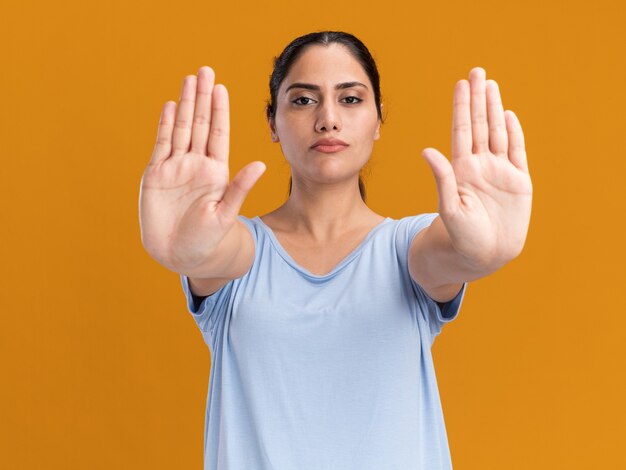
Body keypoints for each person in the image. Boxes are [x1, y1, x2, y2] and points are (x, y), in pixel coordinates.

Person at [139, 31, 532, 470]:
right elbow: (213, 255)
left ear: (379, 119)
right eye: (304, 100)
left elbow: (449, 255)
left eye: (350, 99)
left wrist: (481, 253)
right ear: (272, 122)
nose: (328, 119)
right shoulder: (239, 249)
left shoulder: (408, 248)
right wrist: (186, 253)